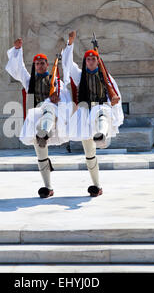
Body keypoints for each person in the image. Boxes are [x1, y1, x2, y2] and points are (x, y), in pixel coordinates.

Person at [5, 38, 72, 198]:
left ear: (47, 65)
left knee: (48, 108)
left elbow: (65, 98)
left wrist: (57, 98)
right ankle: (47, 187)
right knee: (41, 155)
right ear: (34, 66)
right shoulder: (29, 81)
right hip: (35, 119)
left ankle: (44, 132)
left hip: (52, 118)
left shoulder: (56, 81)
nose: (40, 65)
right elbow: (18, 69)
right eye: (37, 63)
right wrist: (17, 50)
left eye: (42, 63)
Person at [62, 31, 124, 197]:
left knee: (101, 112)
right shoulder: (80, 75)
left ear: (98, 61)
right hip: (84, 112)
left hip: (100, 108)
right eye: (88, 59)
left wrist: (115, 100)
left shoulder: (105, 75)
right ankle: (96, 185)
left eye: (93, 59)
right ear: (85, 61)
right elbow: (67, 64)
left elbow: (114, 92)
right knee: (89, 154)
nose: (90, 61)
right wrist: (70, 44)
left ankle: (101, 135)